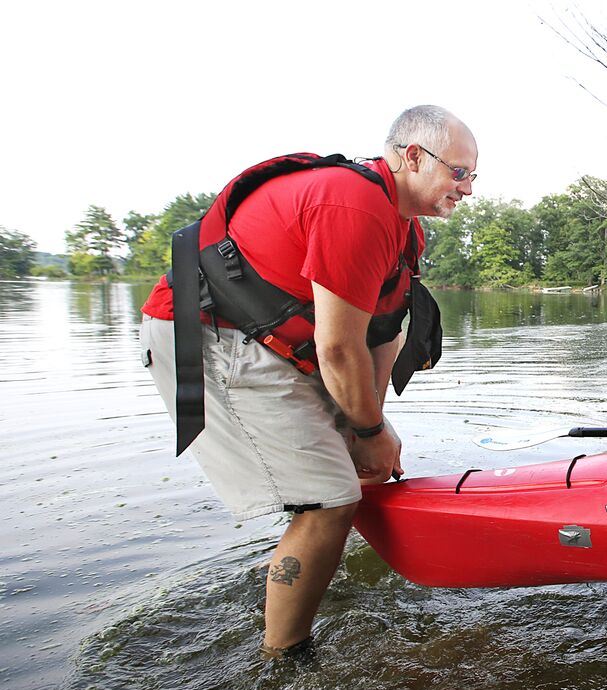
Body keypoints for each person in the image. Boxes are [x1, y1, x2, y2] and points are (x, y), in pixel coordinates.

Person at [139, 105, 477, 656]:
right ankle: (284, 658)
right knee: (329, 501)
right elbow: (338, 347)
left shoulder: (406, 231)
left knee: (364, 471)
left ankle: (294, 581)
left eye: (472, 177)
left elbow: (380, 334)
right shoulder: (354, 205)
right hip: (208, 335)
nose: (467, 189)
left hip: (280, 346)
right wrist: (368, 430)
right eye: (459, 173)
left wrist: (370, 430)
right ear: (413, 157)